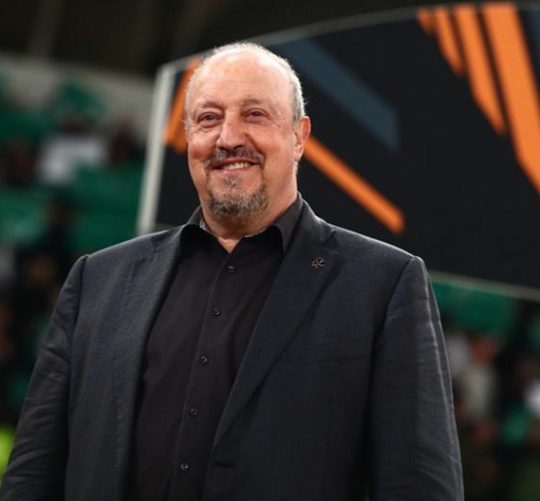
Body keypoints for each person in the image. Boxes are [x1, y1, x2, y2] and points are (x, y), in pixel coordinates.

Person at [0, 42, 463, 500]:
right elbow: (33, 473)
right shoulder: (97, 280)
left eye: (255, 115)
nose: (228, 138)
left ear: (299, 136)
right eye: (208, 118)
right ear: (188, 137)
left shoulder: (383, 285)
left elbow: (419, 487)